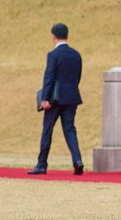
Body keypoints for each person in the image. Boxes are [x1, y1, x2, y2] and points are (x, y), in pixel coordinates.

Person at [28, 23, 84, 175]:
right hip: (72, 97)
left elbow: (49, 77)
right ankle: (77, 160)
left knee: (47, 130)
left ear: (53, 36)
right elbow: (77, 77)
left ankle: (41, 164)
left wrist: (45, 99)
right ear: (67, 35)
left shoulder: (53, 55)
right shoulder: (76, 54)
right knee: (70, 130)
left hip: (55, 99)